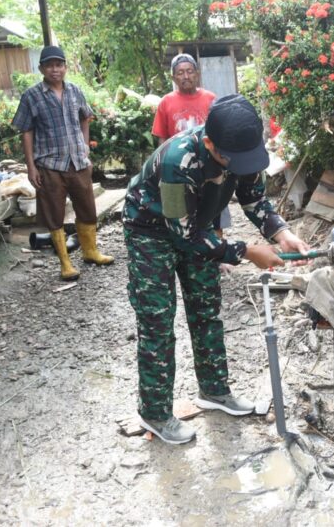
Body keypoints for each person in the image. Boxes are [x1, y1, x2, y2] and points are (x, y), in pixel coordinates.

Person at [123, 94, 310, 444]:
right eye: (231, 160)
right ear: (209, 142)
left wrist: (282, 234)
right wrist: (247, 252)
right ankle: (154, 412)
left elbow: (254, 198)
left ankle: (213, 391)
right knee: (158, 321)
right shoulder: (179, 161)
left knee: (206, 308)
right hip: (150, 230)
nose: (242, 166)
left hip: (198, 226)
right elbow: (185, 236)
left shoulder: (243, 151)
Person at [12, 45, 113, 281]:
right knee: (54, 214)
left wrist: (85, 147)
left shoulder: (75, 91)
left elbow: (85, 118)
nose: (55, 70)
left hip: (78, 162)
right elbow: (26, 131)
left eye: (59, 65)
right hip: (50, 164)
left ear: (65, 67)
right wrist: (31, 166)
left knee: (87, 208)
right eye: (49, 65)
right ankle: (65, 263)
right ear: (41, 69)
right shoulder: (32, 96)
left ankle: (90, 251)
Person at [152, 54, 233, 251]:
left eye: (189, 71)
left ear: (197, 74)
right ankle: (190, 250)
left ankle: (217, 253)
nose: (185, 76)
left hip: (209, 165)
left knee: (216, 208)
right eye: (180, 73)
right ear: (173, 77)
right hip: (181, 169)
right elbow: (162, 139)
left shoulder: (210, 99)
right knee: (185, 209)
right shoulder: (166, 102)